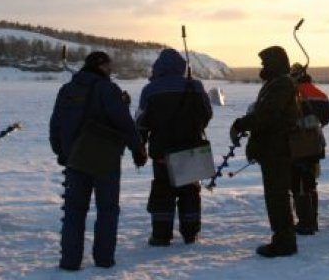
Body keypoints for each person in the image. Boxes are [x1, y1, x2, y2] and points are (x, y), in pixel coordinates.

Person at [49, 51, 147, 271]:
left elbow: (55, 123)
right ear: (101, 66)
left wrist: (61, 151)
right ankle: (104, 260)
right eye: (109, 66)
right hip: (105, 159)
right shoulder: (107, 89)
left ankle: (70, 261)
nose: (111, 70)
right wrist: (137, 148)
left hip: (74, 159)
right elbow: (124, 122)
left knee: (74, 210)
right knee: (107, 209)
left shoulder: (66, 90)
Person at [136, 48, 212, 246]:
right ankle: (190, 233)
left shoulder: (150, 90)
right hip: (190, 149)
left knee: (163, 191)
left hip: (162, 151)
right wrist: (194, 127)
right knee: (190, 191)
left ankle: (161, 236)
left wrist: (140, 145)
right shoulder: (195, 86)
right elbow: (207, 113)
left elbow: (142, 121)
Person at [230, 46, 299, 257]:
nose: (262, 66)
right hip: (272, 149)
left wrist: (241, 124)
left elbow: (267, 115)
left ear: (275, 63)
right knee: (275, 196)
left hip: (277, 149)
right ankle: (283, 239)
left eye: (265, 63)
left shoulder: (282, 85)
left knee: (277, 196)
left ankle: (284, 242)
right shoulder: (275, 84)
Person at [288, 63, 329, 235]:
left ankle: (306, 222)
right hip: (315, 144)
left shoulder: (293, 93)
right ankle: (312, 220)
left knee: (298, 184)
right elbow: (325, 120)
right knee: (310, 182)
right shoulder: (319, 93)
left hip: (297, 145)